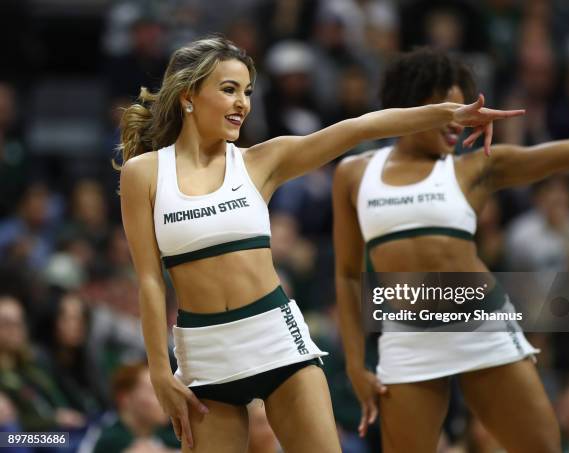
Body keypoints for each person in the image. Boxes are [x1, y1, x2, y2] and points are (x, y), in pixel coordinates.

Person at [118, 36, 522, 452]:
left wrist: (447, 113)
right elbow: (149, 279)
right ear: (189, 95)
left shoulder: (260, 162)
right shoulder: (144, 174)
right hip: (204, 357)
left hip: (277, 341)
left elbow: (357, 128)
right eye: (229, 90)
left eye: (248, 92)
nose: (243, 103)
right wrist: (159, 371)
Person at [333, 47, 569, 453]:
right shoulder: (355, 174)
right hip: (408, 339)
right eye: (453, 109)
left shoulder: (472, 167)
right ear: (412, 106)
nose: (461, 124)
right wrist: (355, 364)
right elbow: (346, 273)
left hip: (481, 326)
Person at [92, 362, 179, 453]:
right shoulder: (108, 440)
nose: (166, 399)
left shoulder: (169, 437)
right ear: (124, 398)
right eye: (154, 392)